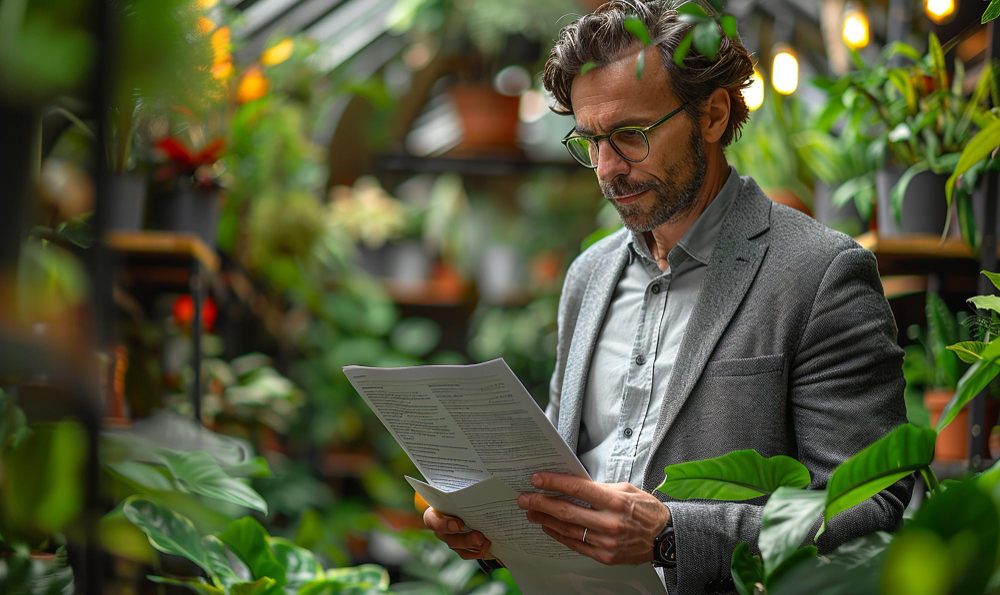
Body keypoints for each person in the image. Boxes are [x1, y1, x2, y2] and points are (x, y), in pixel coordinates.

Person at [422, 1, 913, 592]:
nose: (607, 168)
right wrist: (491, 526)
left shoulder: (820, 273)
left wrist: (674, 534)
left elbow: (870, 511)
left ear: (712, 114)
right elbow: (557, 476)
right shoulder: (588, 276)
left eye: (630, 136)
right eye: (590, 140)